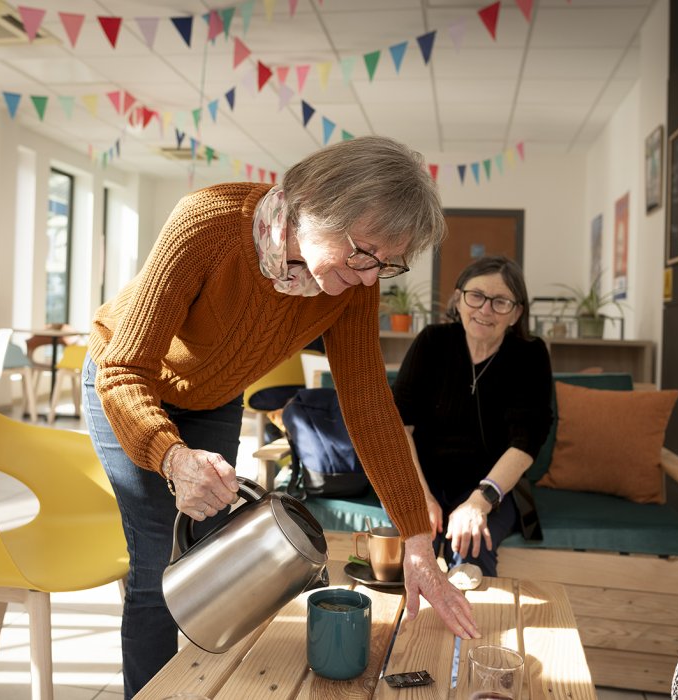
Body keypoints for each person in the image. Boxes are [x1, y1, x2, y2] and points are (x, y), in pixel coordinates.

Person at [82, 135, 480, 697]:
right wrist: (173, 458)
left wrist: (417, 542)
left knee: (214, 562)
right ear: (315, 203)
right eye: (365, 253)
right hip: (125, 380)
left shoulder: (350, 283)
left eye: (387, 266)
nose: (370, 278)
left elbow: (367, 404)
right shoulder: (208, 224)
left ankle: (203, 686)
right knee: (158, 569)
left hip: (214, 395)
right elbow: (124, 370)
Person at [391, 256, 553, 577]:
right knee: (409, 547)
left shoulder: (530, 355)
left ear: (516, 313)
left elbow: (527, 441)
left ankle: (472, 626)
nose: (485, 309)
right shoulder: (432, 342)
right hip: (423, 477)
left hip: (490, 484)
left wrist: (479, 502)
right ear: (458, 299)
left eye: (500, 301)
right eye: (476, 296)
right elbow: (400, 425)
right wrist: (419, 496)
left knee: (471, 551)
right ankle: (408, 626)